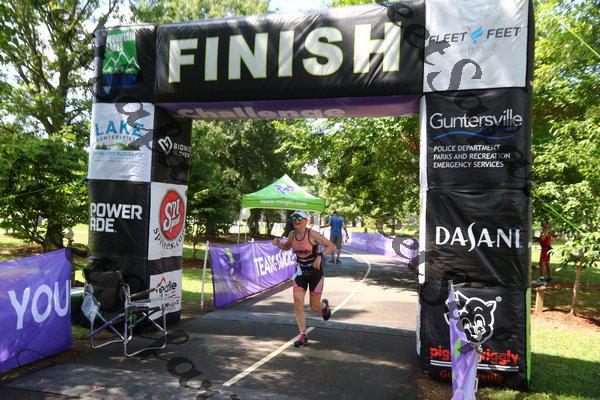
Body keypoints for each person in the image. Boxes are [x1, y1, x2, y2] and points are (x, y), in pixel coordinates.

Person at [273, 210, 335, 347]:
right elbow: (287, 246)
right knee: (297, 301)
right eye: (294, 218)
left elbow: (331, 246)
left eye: (300, 218)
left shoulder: (312, 234)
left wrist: (320, 256)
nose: (296, 220)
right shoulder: (292, 234)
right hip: (300, 272)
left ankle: (324, 306)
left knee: (314, 307)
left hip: (315, 273)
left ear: (306, 220)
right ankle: (303, 335)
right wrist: (279, 244)